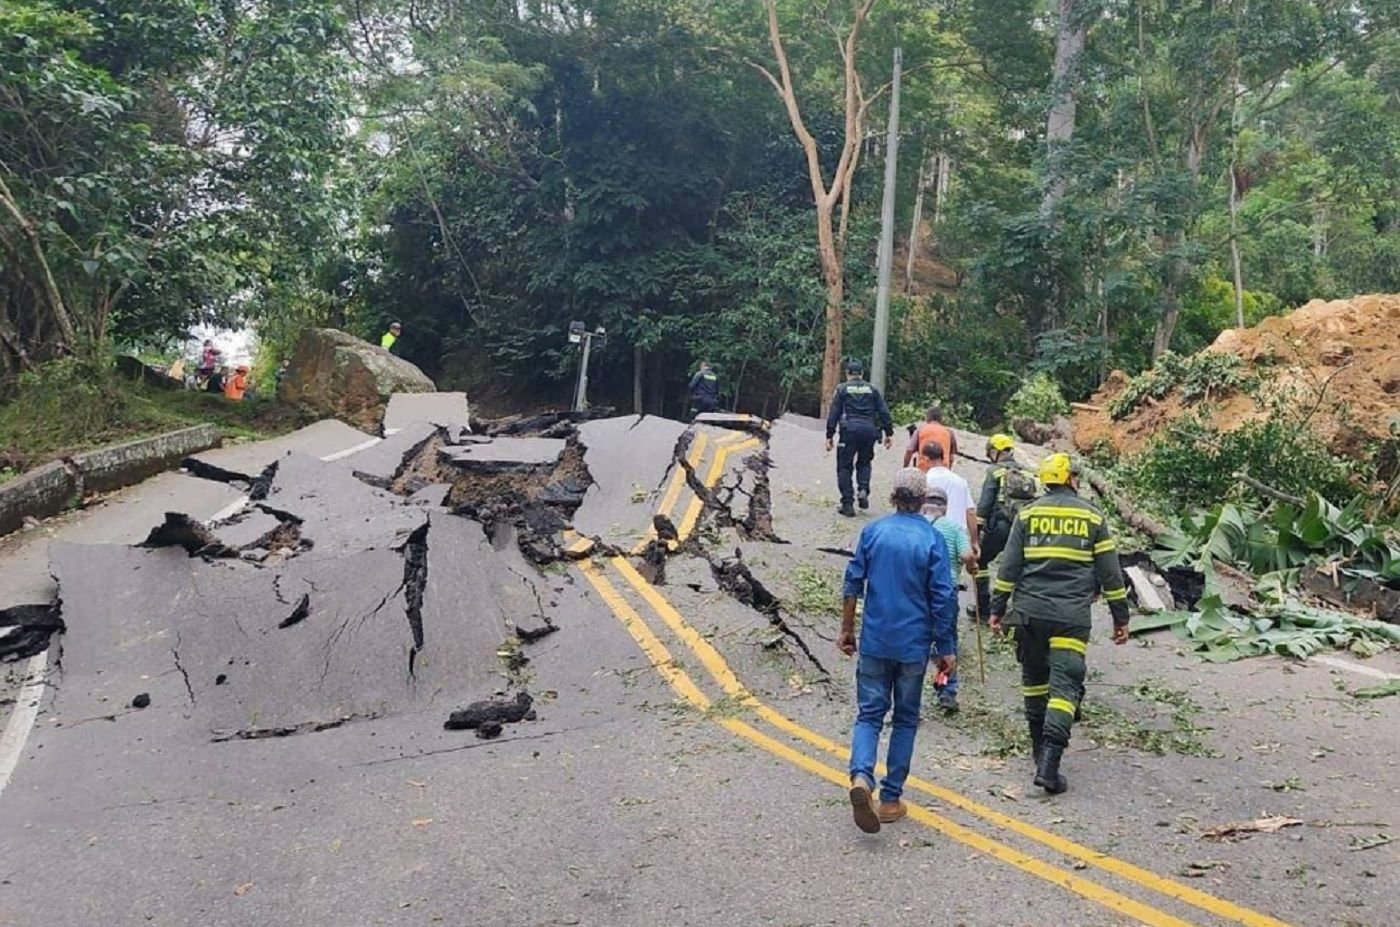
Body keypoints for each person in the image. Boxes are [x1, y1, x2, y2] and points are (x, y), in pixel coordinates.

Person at [988, 452, 1130, 795]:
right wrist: (1120, 617)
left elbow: (1009, 568)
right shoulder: (1093, 517)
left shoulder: (1028, 514)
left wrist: (996, 608)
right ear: (1070, 479)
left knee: (1034, 681)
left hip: (1029, 614)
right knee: (1065, 689)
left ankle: (1039, 749)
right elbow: (1110, 573)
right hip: (1070, 618)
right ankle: (1050, 764)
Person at [838, 468, 958, 832]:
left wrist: (847, 630)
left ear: (892, 497)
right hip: (912, 647)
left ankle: (861, 778)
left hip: (875, 641)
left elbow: (852, 582)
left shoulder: (873, 532)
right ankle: (890, 799)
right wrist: (946, 648)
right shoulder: (932, 539)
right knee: (905, 718)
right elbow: (943, 597)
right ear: (923, 501)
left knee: (869, 715)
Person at [972, 434, 1038, 622]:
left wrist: (975, 536)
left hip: (999, 528)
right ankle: (1019, 612)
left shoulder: (995, 472)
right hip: (1022, 529)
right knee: (1018, 567)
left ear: (994, 452)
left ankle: (983, 607)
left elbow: (984, 506)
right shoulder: (1026, 473)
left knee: (982, 561)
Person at [923, 485, 977, 713]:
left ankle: (912, 693)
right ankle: (946, 689)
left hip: (921, 591)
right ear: (945, 508)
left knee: (921, 641)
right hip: (947, 592)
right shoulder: (955, 528)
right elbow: (966, 555)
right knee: (947, 641)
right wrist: (972, 565)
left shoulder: (919, 527)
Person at [825, 358, 894, 518]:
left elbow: (834, 412)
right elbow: (884, 412)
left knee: (844, 466)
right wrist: (888, 433)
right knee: (864, 462)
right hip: (869, 430)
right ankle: (863, 489)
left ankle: (847, 504)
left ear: (847, 374)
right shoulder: (873, 389)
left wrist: (830, 435)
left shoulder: (842, 389)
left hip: (849, 431)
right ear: (862, 373)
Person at [922, 440, 979, 568]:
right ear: (943, 457)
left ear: (925, 459)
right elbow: (970, 512)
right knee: (952, 575)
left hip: (929, 537)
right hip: (956, 540)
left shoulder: (924, 481)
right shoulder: (960, 481)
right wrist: (974, 541)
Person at [903, 406, 959, 472]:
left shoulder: (921, 430)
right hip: (943, 470)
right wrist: (948, 472)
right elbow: (951, 457)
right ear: (942, 419)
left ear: (927, 418)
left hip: (923, 470)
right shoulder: (949, 432)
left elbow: (909, 451)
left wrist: (905, 468)